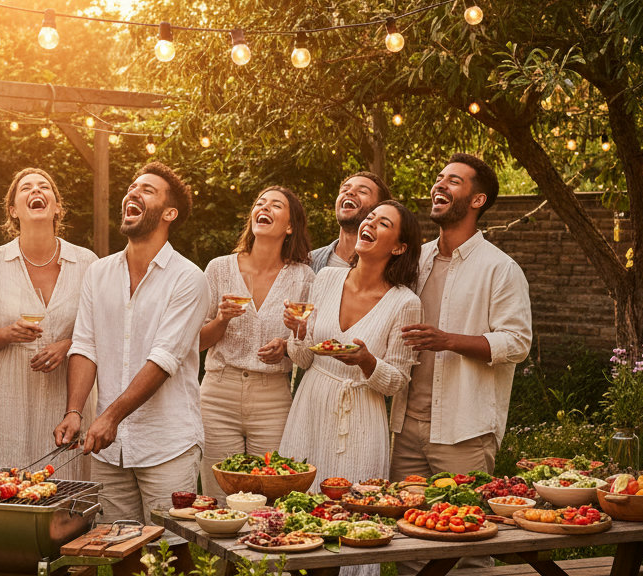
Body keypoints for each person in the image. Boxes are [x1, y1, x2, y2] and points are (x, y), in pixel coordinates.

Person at [52, 161, 209, 528]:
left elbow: (164, 360)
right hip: (110, 452)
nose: (133, 192)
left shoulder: (189, 279)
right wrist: (75, 411)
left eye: (148, 190)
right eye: (132, 186)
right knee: (118, 551)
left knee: (171, 554)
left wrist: (109, 418)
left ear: (169, 213)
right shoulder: (98, 272)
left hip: (168, 445)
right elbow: (85, 346)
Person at [392, 153, 532, 479]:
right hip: (405, 427)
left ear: (477, 200)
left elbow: (517, 343)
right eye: (439, 178)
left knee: (463, 523)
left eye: (453, 181)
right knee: (401, 524)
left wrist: (447, 340)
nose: (439, 184)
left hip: (462, 432)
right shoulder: (415, 260)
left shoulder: (500, 269)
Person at [0, 168, 97, 478]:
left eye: (44, 187)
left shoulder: (88, 263)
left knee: (68, 496)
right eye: (25, 188)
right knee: (4, 494)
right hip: (8, 403)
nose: (36, 191)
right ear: (13, 210)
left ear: (57, 206)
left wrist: (68, 344)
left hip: (69, 402)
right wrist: (8, 334)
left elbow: (104, 331)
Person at [281, 199, 422, 487]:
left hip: (360, 415)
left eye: (384, 223)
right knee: (293, 499)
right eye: (370, 217)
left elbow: (397, 382)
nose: (369, 223)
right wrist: (298, 332)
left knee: (354, 507)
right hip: (310, 406)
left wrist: (367, 362)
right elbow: (305, 359)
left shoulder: (406, 302)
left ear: (398, 247)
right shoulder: (326, 279)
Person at [198, 186, 315, 500]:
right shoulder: (219, 268)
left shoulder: (303, 277)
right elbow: (195, 343)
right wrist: (221, 320)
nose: (265, 207)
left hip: (272, 397)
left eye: (276, 205)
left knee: (274, 490)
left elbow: (305, 351)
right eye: (260, 202)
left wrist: (289, 343)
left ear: (289, 227)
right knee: (221, 493)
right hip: (218, 394)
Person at [309, 172, 391, 272]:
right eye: (344, 190)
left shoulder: (398, 269)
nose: (349, 192)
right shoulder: (309, 263)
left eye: (362, 191)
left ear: (380, 208)